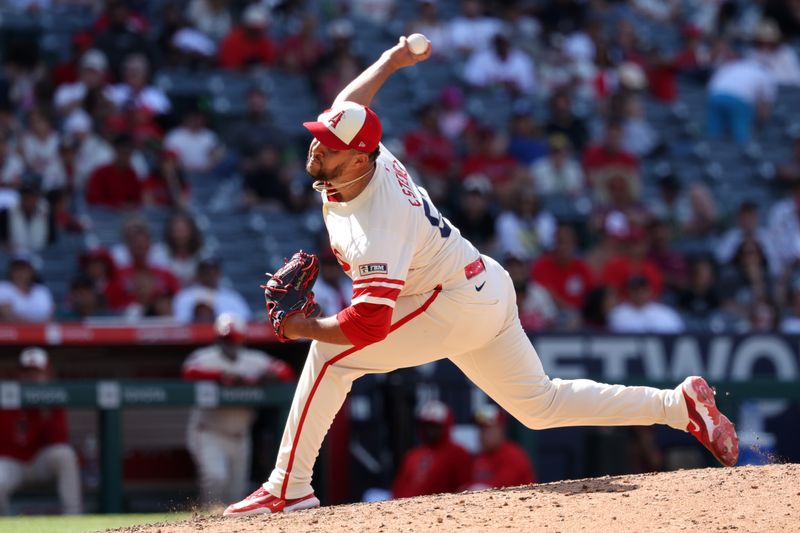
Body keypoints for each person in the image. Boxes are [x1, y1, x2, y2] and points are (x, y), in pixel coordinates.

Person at [222, 36, 739, 517]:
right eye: (318, 138)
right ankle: (679, 406)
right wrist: (392, 62)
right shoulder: (362, 153)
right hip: (479, 282)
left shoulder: (378, 225)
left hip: (450, 300)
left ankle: (288, 489)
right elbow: (350, 101)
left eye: (327, 145)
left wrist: (304, 328)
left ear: (358, 156)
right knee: (541, 405)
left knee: (330, 355)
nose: (315, 147)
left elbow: (370, 325)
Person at [183, 313, 294, 507]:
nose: (231, 343)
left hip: (241, 436)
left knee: (236, 494)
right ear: (218, 339)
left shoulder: (253, 360)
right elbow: (189, 371)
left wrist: (265, 376)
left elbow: (285, 371)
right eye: (226, 339)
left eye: (235, 339)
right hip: (210, 432)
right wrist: (222, 376)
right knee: (216, 479)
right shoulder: (206, 357)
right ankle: (205, 524)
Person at [0, 347, 82, 515]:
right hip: (11, 462)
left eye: (36, 373)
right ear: (19, 375)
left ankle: (74, 517)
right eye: (27, 372)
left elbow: (60, 440)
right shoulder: (6, 396)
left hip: (39, 462)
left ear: (47, 375)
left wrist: (45, 412)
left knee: (65, 454)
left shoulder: (53, 399)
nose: (31, 378)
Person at [391, 400, 472, 499]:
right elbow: (399, 487)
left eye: (434, 426)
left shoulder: (457, 453)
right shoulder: (413, 455)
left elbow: (464, 489)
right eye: (426, 426)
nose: (430, 431)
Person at [468, 403, 536, 490]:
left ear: (500, 429)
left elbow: (499, 488)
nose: (482, 434)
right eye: (480, 428)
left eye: (487, 429)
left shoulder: (513, 456)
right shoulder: (480, 457)